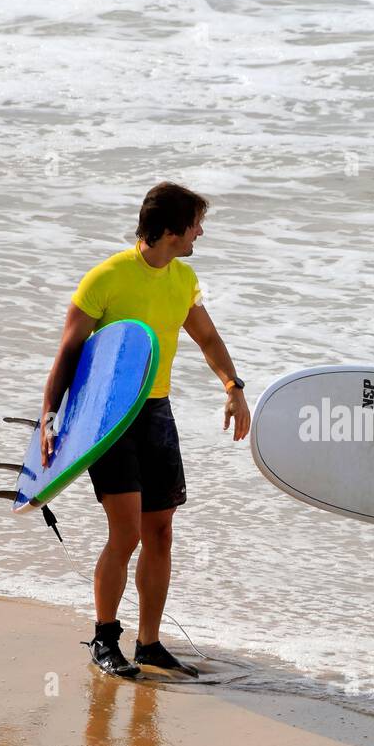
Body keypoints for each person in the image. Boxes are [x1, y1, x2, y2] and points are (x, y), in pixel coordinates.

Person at [40, 182, 250, 678]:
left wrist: (233, 385)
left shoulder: (184, 278)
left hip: (156, 412)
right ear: (172, 230)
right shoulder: (107, 278)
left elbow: (207, 336)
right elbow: (68, 353)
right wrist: (51, 418)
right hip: (108, 419)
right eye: (196, 223)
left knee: (161, 531)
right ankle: (103, 637)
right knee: (127, 532)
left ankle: (149, 643)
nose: (202, 231)